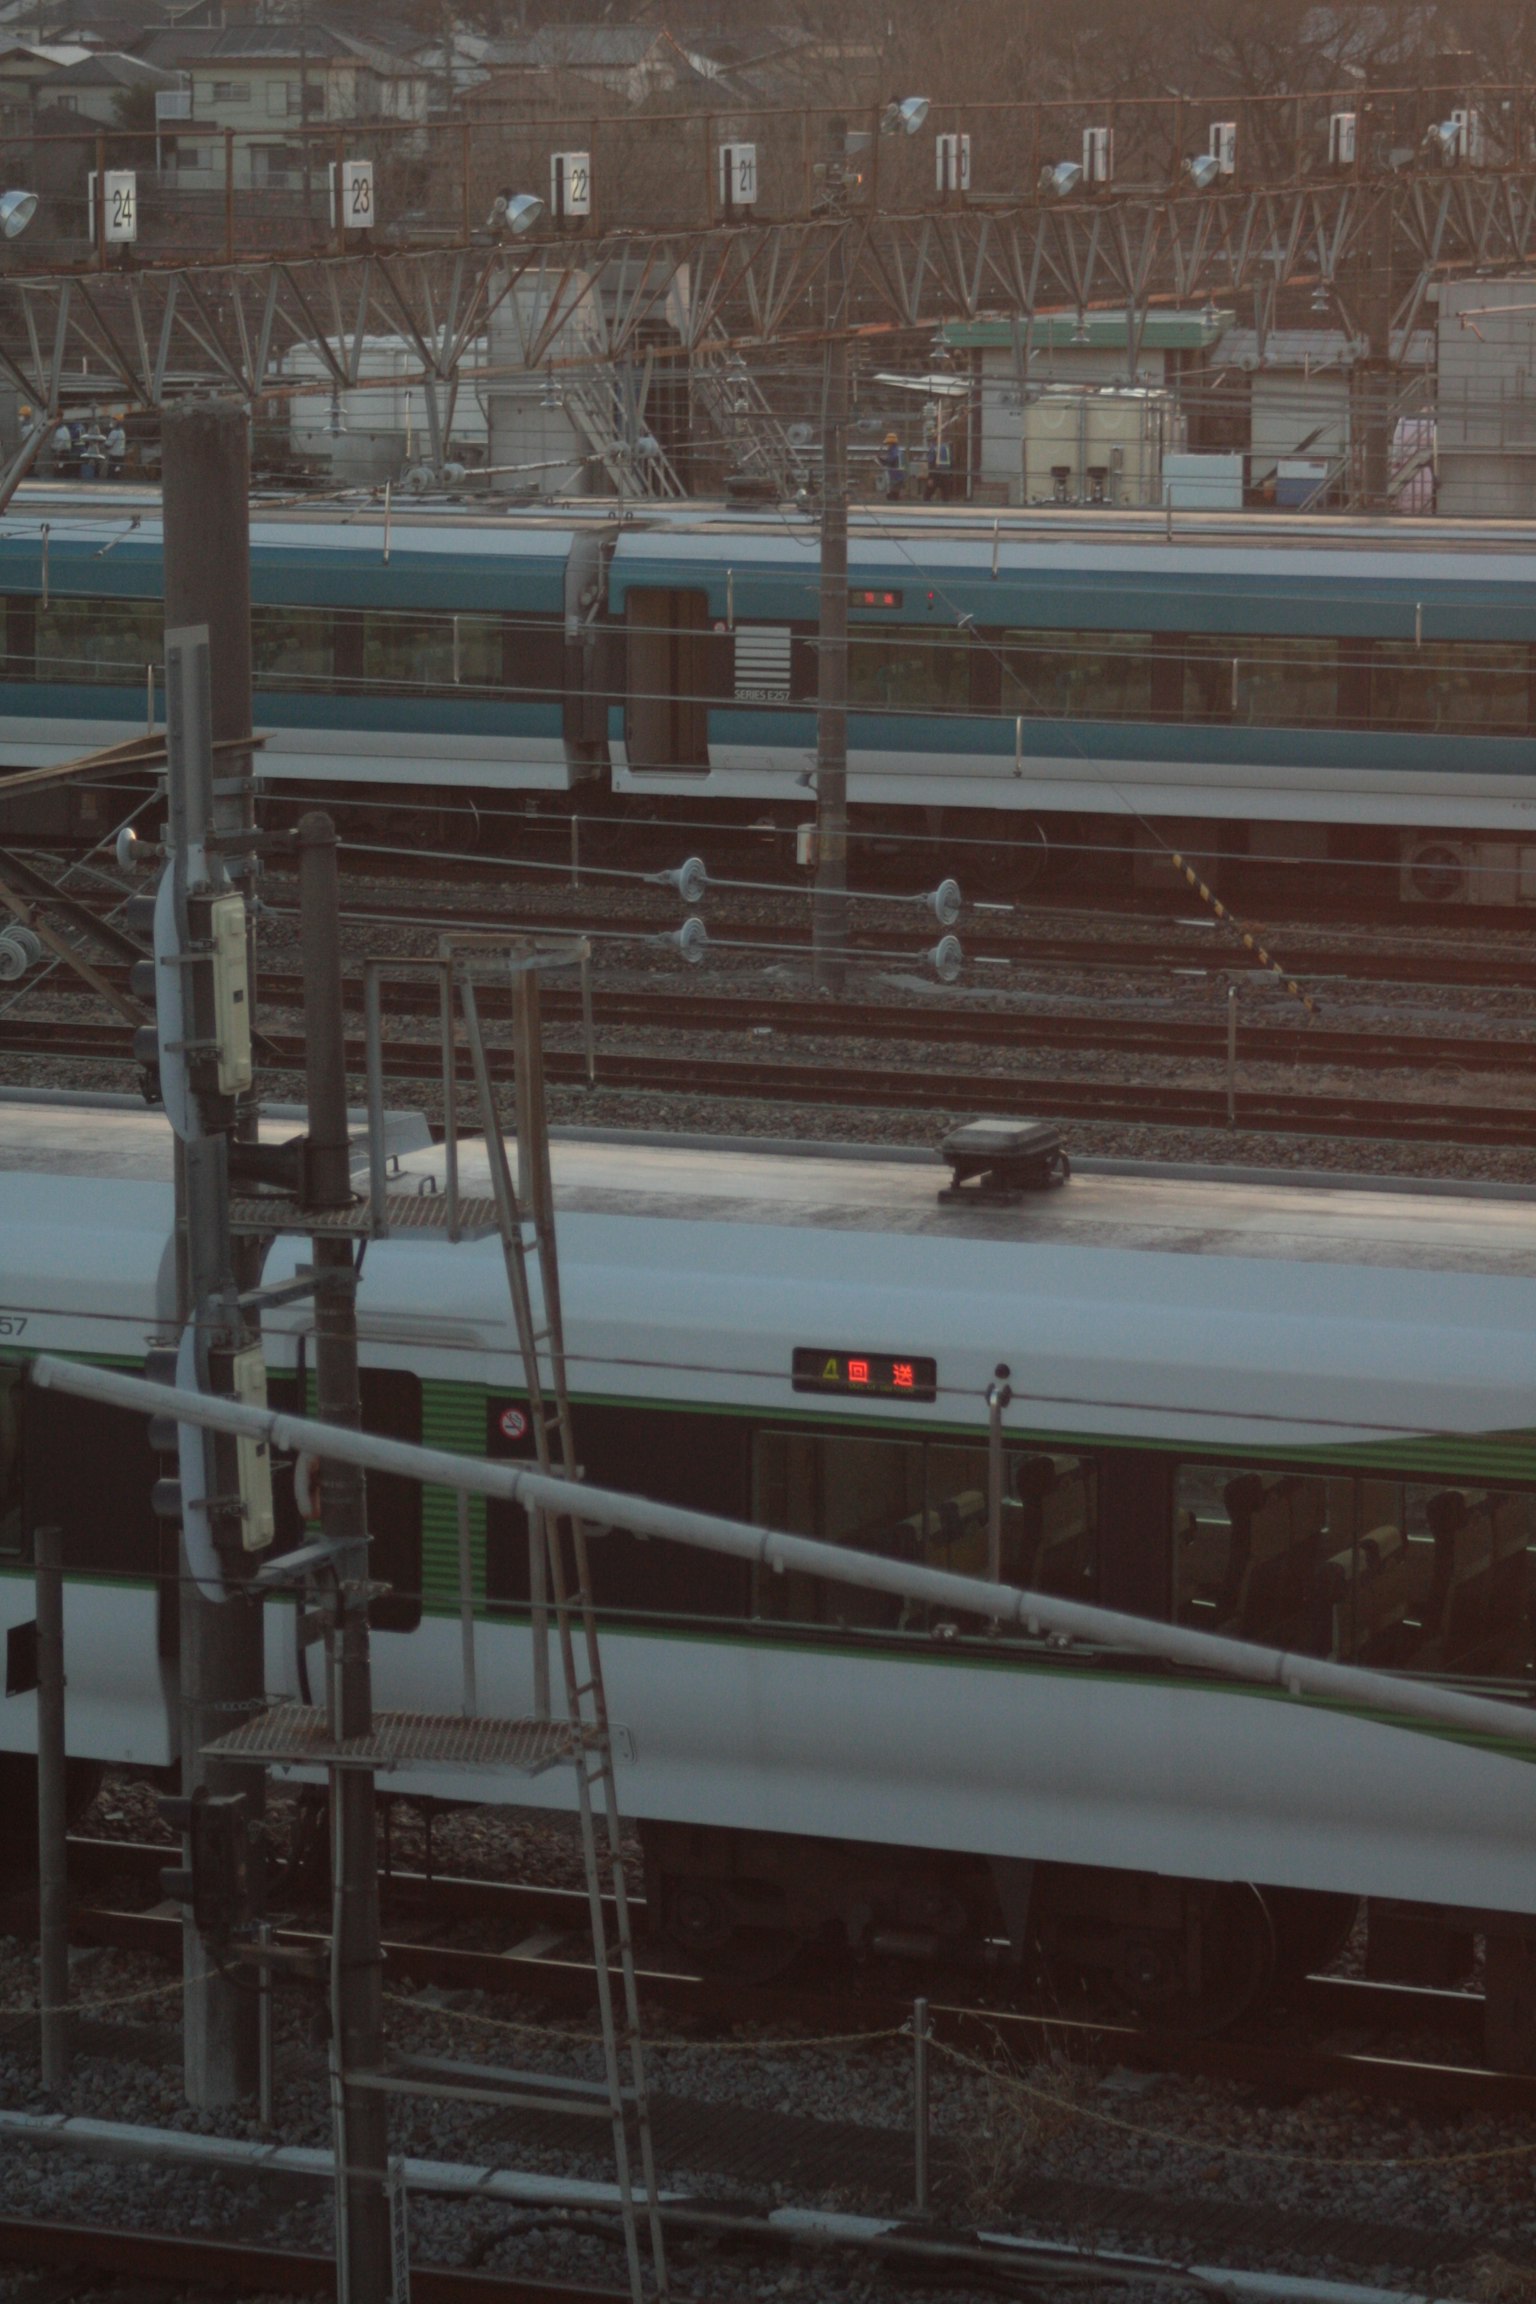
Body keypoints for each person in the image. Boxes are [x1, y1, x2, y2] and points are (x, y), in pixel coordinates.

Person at [877, 431, 905, 500]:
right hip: (899, 476)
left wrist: (881, 460)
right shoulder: (898, 451)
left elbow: (890, 460)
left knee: (892, 496)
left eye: (887, 444)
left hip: (895, 477)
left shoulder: (893, 451)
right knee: (894, 494)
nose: (887, 445)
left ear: (891, 443)